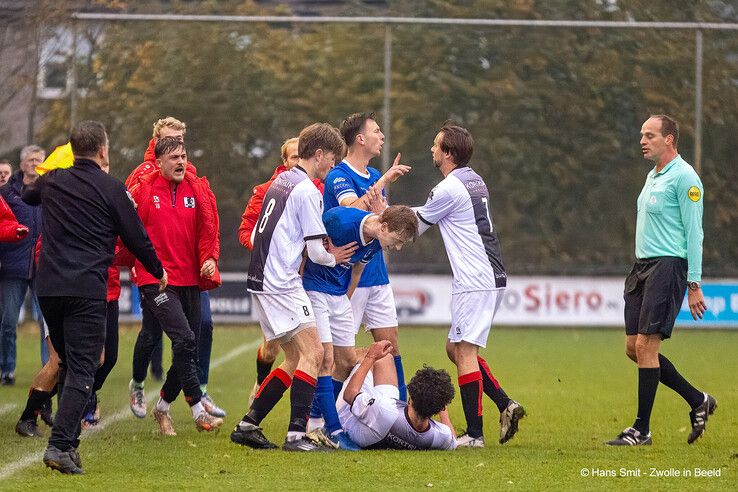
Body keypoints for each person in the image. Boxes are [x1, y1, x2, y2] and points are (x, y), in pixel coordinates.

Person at [22, 120, 166, 474]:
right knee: (85, 366)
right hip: (85, 289)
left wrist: (55, 164)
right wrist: (157, 269)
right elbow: (135, 236)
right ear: (103, 150)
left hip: (49, 288)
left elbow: (28, 194)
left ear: (72, 151)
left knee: (71, 364)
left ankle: (67, 443)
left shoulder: (53, 181)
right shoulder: (110, 188)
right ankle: (59, 446)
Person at [230, 122, 356, 452]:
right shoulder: (306, 191)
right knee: (315, 353)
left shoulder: (282, 181)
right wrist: (335, 258)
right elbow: (316, 252)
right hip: (281, 284)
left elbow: (259, 235)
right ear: (320, 154)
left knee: (294, 358)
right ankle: (297, 435)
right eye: (333, 159)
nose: (333, 166)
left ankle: (248, 424)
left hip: (260, 279)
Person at [606, 115, 716, 446]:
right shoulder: (653, 176)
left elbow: (694, 233)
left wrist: (693, 284)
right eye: (642, 134)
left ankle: (641, 430)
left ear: (669, 140)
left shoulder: (685, 178)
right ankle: (699, 400)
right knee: (633, 348)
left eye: (650, 135)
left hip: (668, 269)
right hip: (642, 268)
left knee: (646, 346)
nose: (643, 140)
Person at [414, 123, 525, 447]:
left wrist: (379, 216)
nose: (432, 150)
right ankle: (505, 404)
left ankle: (475, 435)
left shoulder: (448, 188)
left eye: (436, 146)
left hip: (475, 280)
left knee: (463, 351)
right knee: (457, 348)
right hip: (489, 275)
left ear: (448, 153)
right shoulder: (474, 179)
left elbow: (417, 224)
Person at [124, 136, 223, 436]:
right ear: (158, 162)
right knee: (182, 340)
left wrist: (210, 258)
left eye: (183, 155)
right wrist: (135, 263)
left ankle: (163, 407)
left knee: (187, 349)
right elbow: (128, 230)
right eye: (173, 157)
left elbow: (210, 228)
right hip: (157, 280)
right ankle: (196, 409)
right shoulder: (143, 191)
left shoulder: (197, 188)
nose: (181, 161)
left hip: (190, 278)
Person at [302, 204, 418, 449]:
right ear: (383, 227)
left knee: (344, 362)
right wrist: (307, 269)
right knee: (325, 358)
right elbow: (304, 241)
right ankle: (324, 427)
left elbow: (357, 268)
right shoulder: (339, 221)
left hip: (339, 297)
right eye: (396, 241)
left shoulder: (375, 241)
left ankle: (318, 421)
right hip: (314, 290)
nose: (396, 247)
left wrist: (346, 299)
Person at [323, 112, 411, 404]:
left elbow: (381, 220)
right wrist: (384, 182)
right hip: (349, 277)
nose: (382, 136)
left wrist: (383, 205)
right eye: (376, 131)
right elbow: (353, 213)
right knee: (342, 359)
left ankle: (401, 412)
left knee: (391, 346)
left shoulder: (373, 177)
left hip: (376, 274)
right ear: (360, 139)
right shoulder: (339, 175)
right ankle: (326, 419)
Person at [239, 137, 320, 406]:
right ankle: (261, 386)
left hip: (306, 278)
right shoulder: (267, 190)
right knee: (276, 349)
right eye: (293, 157)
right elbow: (247, 230)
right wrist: (272, 250)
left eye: (301, 155)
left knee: (311, 350)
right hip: (277, 278)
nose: (298, 161)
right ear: (285, 162)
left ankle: (308, 418)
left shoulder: (315, 186)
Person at [337, 340, 456, 450]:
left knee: (364, 355)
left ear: (411, 397)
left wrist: (371, 356)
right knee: (386, 358)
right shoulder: (438, 437)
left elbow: (350, 394)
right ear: (441, 407)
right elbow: (452, 440)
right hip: (383, 418)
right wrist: (441, 402)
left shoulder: (385, 410)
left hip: (348, 415)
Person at [0, 145, 46, 385]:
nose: (34, 163)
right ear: (22, 164)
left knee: (45, 323)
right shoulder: (7, 191)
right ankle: (7, 369)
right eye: (30, 159)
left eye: (39, 159)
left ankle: (47, 370)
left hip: (43, 266)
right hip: (13, 265)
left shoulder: (50, 189)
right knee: (8, 322)